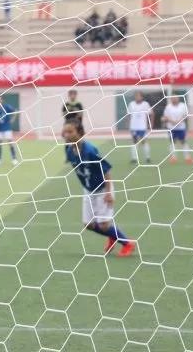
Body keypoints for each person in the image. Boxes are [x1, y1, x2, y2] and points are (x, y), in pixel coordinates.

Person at [62, 120, 136, 257]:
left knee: (104, 225)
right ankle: (113, 236)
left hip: (102, 188)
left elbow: (106, 171)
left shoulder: (89, 151)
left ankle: (127, 243)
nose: (66, 135)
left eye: (70, 131)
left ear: (80, 133)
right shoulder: (68, 149)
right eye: (65, 132)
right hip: (89, 190)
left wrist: (108, 193)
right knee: (88, 224)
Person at [162, 95, 191, 164]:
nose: (174, 99)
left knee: (183, 142)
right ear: (171, 99)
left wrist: (179, 121)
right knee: (172, 142)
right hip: (171, 127)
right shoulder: (168, 107)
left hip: (181, 127)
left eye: (175, 98)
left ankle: (187, 158)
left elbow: (186, 115)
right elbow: (165, 116)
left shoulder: (183, 106)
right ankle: (173, 157)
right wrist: (172, 121)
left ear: (178, 99)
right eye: (173, 98)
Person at [0, 96, 18, 165]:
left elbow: (15, 111)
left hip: (7, 128)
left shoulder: (6, 107)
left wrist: (13, 119)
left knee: (10, 142)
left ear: (2, 100)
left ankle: (14, 159)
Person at [127, 91, 153, 164]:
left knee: (143, 141)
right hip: (134, 127)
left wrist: (150, 124)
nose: (137, 97)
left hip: (142, 127)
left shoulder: (145, 104)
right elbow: (128, 115)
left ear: (142, 97)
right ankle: (134, 158)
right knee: (134, 141)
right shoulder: (131, 104)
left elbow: (151, 114)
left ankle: (147, 158)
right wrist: (129, 125)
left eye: (139, 96)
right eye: (136, 96)